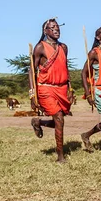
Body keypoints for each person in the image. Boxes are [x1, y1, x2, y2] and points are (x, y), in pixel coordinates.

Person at [29, 18, 73, 163]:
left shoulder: (64, 47)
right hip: (46, 87)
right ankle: (60, 156)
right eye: (52, 27)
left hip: (62, 88)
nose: (56, 29)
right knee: (59, 119)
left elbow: (65, 69)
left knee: (59, 121)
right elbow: (32, 70)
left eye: (57, 27)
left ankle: (38, 122)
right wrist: (32, 94)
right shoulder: (40, 47)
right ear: (45, 31)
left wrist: (70, 88)